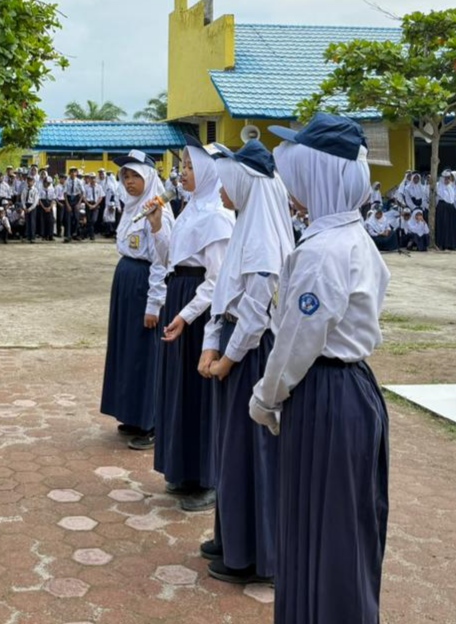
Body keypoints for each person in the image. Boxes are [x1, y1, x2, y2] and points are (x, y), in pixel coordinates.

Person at [254, 113, 390, 624]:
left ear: (319, 175)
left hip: (324, 393)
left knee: (325, 525)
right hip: (350, 390)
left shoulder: (322, 251)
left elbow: (295, 342)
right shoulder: (353, 237)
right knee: (342, 523)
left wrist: (266, 398)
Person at [198, 140, 294, 585]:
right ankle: (231, 536)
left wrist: (227, 360)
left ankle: (253, 555)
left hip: (251, 358)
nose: (220, 191)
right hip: (237, 353)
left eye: (226, 182)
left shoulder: (259, 236)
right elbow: (225, 296)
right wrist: (210, 345)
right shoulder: (246, 227)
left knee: (248, 455)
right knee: (231, 453)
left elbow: (256, 311)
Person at [152, 136, 235, 512]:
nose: (182, 173)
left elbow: (216, 280)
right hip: (181, 294)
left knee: (200, 395)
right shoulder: (191, 209)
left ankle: (206, 478)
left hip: (200, 313)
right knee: (180, 389)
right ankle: (182, 468)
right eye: (183, 166)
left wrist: (186, 315)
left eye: (188, 167)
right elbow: (172, 258)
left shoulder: (217, 216)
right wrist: (157, 227)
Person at [100, 151, 173, 449]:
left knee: (146, 353)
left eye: (135, 176)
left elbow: (161, 262)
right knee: (127, 349)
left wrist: (154, 303)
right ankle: (131, 413)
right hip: (126, 283)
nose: (129, 182)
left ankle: (151, 422)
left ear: (150, 178)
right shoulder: (131, 208)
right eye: (125, 177)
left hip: (144, 284)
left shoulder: (159, 213)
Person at [436, 170, 456, 250]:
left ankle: (450, 244)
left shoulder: (451, 187)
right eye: (445, 178)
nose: (447, 180)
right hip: (442, 208)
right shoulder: (439, 186)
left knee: (451, 227)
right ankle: (442, 244)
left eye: (448, 178)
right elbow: (438, 198)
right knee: (443, 226)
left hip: (451, 209)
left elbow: (453, 199)